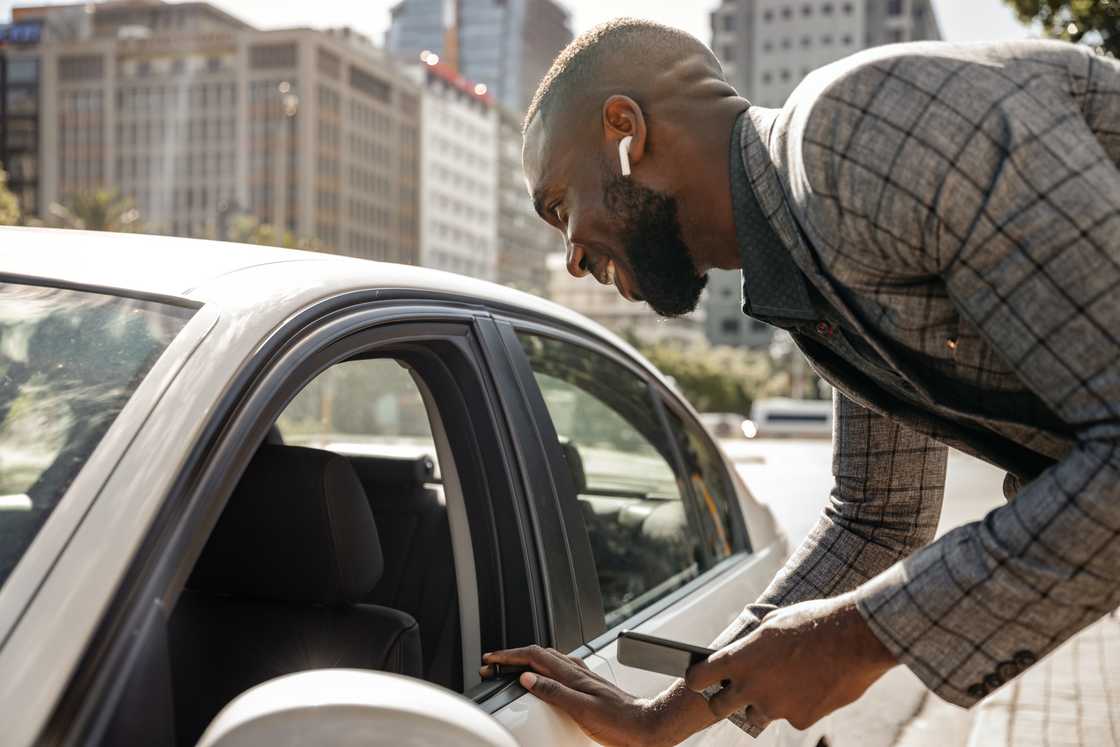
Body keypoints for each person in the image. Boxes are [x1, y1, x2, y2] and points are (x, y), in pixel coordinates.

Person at [479, 17, 1120, 746]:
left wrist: (857, 638)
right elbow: (878, 515)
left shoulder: (851, 134)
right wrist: (660, 719)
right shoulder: (805, 269)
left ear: (626, 131)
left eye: (560, 206)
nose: (570, 257)